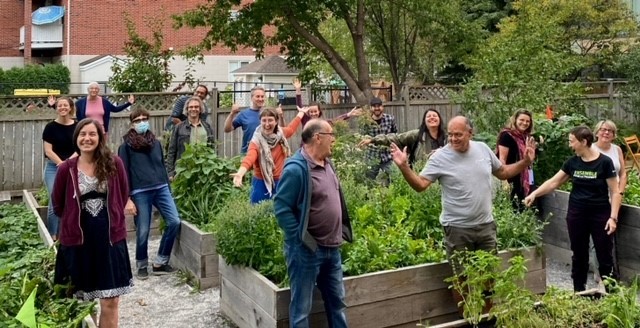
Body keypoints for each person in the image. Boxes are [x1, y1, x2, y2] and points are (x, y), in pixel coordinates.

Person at [389, 116, 535, 303]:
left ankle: (486, 319)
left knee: (488, 277)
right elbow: (420, 185)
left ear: (470, 133)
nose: (453, 139)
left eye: (458, 134)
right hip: (457, 228)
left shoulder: (482, 149)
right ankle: (467, 318)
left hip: (486, 226)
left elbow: (503, 173)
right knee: (461, 280)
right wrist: (404, 167)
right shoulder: (440, 157)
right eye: (450, 135)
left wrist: (525, 162)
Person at [52, 119, 133, 328]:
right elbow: (58, 205)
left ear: (100, 138)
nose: (87, 138)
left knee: (111, 300)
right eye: (82, 134)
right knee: (82, 302)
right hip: (78, 242)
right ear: (76, 138)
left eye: (92, 134)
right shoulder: (66, 169)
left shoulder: (114, 163)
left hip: (109, 239)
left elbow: (123, 194)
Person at [274, 119, 353, 328]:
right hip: (306, 252)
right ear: (318, 138)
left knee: (337, 303)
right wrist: (302, 240)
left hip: (332, 249)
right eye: (331, 135)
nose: (334, 139)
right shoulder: (296, 169)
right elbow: (281, 209)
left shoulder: (328, 164)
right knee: (301, 309)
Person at [524, 126, 621, 292]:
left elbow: (615, 191)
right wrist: (534, 194)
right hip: (577, 215)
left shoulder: (605, 162)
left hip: (600, 216)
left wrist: (613, 218)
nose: (570, 145)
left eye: (572, 141)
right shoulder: (572, 163)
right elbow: (554, 182)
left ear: (583, 142)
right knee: (579, 254)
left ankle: (611, 296)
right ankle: (579, 292)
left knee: (604, 256)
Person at [118, 108, 181, 280]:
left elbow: (161, 166)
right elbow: (122, 174)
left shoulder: (156, 143)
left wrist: (168, 188)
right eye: (137, 120)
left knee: (174, 221)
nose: (141, 122)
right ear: (132, 124)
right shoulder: (125, 147)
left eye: (144, 119)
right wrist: (127, 199)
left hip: (161, 188)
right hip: (140, 191)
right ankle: (142, 264)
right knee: (143, 229)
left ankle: (160, 261)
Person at [231, 106, 308, 204]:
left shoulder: (281, 134)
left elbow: (291, 128)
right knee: (258, 212)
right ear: (260, 121)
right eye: (264, 120)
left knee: (280, 211)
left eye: (270, 120)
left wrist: (301, 113)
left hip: (281, 181)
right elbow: (250, 157)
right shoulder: (256, 141)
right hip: (260, 182)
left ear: (276, 121)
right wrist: (240, 173)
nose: (267, 124)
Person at [41, 97, 78, 241]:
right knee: (54, 200)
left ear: (70, 108)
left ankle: (68, 233)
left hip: (72, 166)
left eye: (65, 105)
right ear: (56, 108)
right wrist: (62, 164)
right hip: (53, 168)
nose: (62, 108)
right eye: (60, 105)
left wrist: (68, 162)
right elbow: (48, 150)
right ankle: (53, 236)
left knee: (71, 200)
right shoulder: (50, 127)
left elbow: (79, 147)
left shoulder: (77, 127)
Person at [358, 108, 446, 166]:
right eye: (428, 116)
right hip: (422, 174)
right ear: (424, 121)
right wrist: (373, 140)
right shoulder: (417, 135)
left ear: (439, 119)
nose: (432, 118)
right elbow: (396, 138)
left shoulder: (447, 137)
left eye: (435, 116)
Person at [165, 96, 215, 180]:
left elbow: (212, 148)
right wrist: (170, 172)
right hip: (183, 169)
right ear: (187, 109)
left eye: (196, 107)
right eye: (191, 107)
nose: (193, 109)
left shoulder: (207, 127)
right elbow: (171, 151)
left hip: (203, 168)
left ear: (200, 109)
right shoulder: (179, 127)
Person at [225, 86, 285, 153]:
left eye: (262, 96)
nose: (260, 99)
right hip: (248, 153)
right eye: (258, 96)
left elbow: (283, 131)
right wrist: (232, 114)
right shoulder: (244, 114)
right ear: (251, 98)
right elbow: (227, 129)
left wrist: (281, 116)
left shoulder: (270, 112)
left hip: (268, 153)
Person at [496, 109, 536, 211]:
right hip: (511, 177)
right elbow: (502, 159)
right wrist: (504, 181)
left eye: (527, 121)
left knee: (524, 207)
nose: (525, 123)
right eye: (521, 120)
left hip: (524, 177)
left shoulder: (526, 137)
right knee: (513, 207)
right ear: (515, 120)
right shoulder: (507, 136)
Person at [293, 78, 362, 127]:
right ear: (308, 112)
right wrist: (298, 91)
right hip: (305, 147)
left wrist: (348, 114)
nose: (313, 113)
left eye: (315, 111)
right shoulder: (305, 120)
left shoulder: (323, 123)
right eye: (311, 112)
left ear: (319, 111)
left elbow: (335, 120)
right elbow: (299, 107)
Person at [361, 97, 397, 185]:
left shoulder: (390, 119)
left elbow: (395, 134)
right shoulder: (366, 122)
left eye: (379, 106)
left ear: (382, 107)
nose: (377, 108)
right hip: (372, 156)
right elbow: (363, 137)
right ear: (371, 108)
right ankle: (369, 198)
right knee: (369, 182)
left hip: (388, 156)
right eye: (374, 106)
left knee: (395, 178)